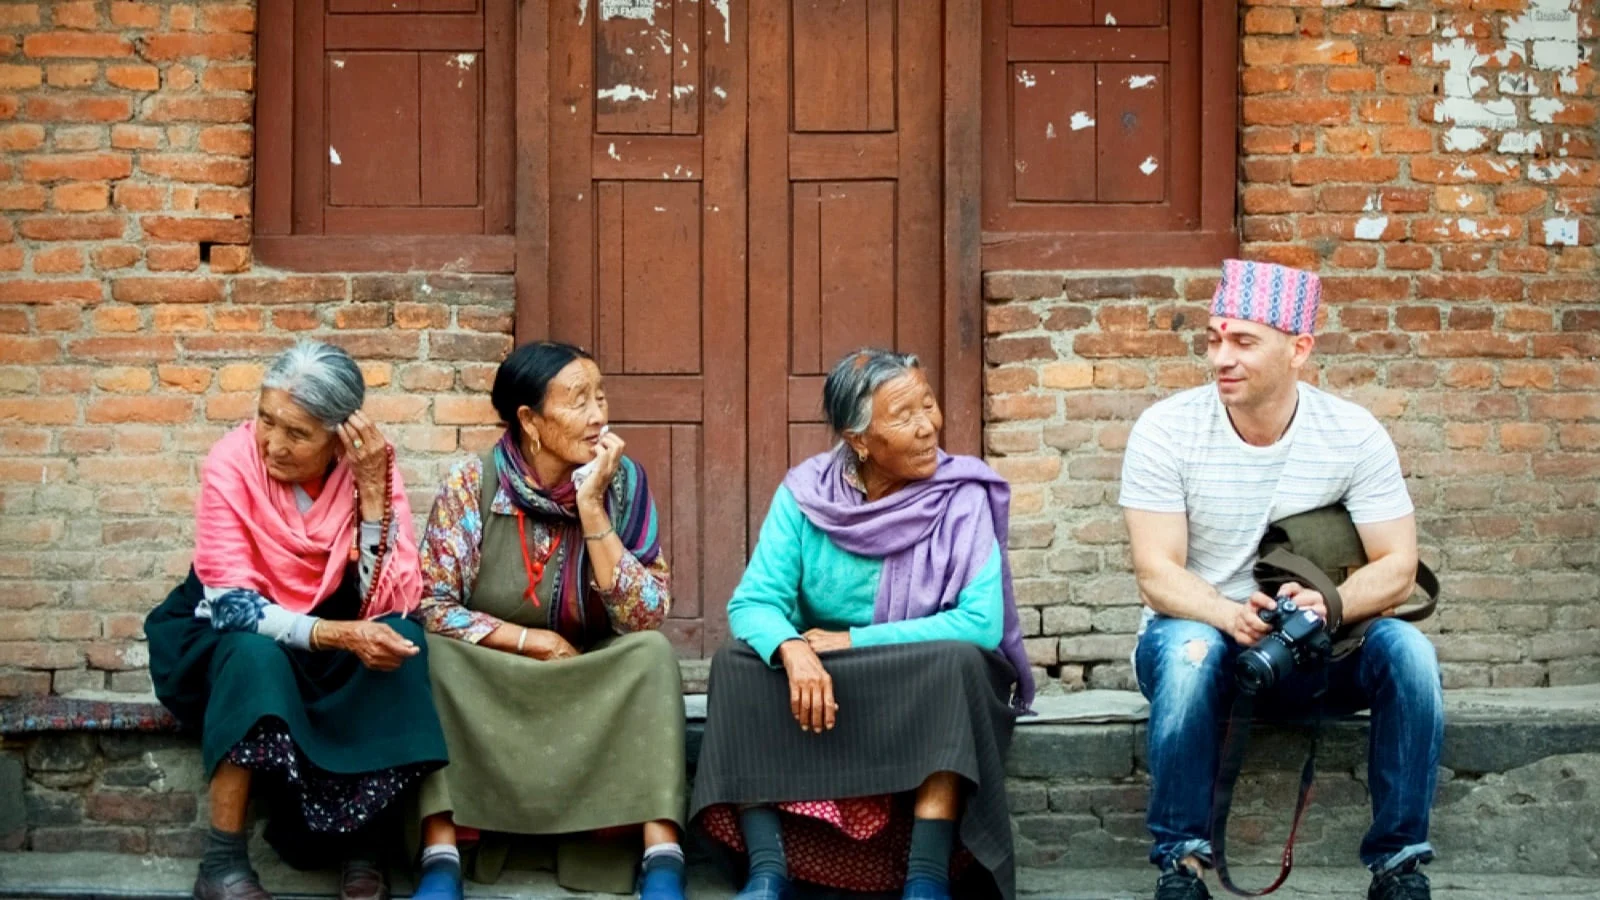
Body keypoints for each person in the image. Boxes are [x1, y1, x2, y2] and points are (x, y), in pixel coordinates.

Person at [1119, 259, 1443, 900]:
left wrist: (1329, 603)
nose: (1221, 357)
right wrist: (1228, 614)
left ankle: (1400, 865)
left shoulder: (1351, 433)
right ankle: (1180, 866)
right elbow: (1156, 573)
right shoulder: (1167, 430)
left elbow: (1399, 566)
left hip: (1317, 648)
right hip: (1202, 641)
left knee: (1410, 653)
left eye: (1243, 341)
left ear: (1298, 350)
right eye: (1215, 338)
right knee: (1188, 649)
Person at [691, 348, 1035, 900]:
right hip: (823, 683)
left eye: (929, 404)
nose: (928, 427)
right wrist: (791, 649)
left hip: (916, 681)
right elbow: (753, 602)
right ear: (858, 440)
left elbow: (980, 624)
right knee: (736, 663)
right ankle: (768, 867)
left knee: (957, 661)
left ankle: (925, 876)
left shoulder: (962, 497)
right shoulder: (806, 496)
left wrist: (854, 640)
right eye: (904, 416)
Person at [146, 341, 447, 900]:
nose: (273, 444)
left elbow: (390, 599)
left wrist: (373, 495)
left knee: (402, 641)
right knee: (253, 655)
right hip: (222, 632)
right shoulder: (231, 462)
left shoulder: (371, 471)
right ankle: (222, 862)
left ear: (340, 438)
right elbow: (232, 605)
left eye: (297, 433)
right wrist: (337, 635)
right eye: (266, 420)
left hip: (328, 629)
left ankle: (365, 847)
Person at [412, 341, 686, 900]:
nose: (598, 415)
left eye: (601, 397)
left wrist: (592, 510)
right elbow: (432, 605)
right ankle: (441, 856)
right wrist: (528, 640)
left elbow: (645, 614)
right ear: (530, 421)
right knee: (431, 654)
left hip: (587, 676)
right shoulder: (472, 484)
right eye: (578, 400)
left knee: (651, 656)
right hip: (495, 677)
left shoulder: (624, 484)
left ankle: (662, 856)